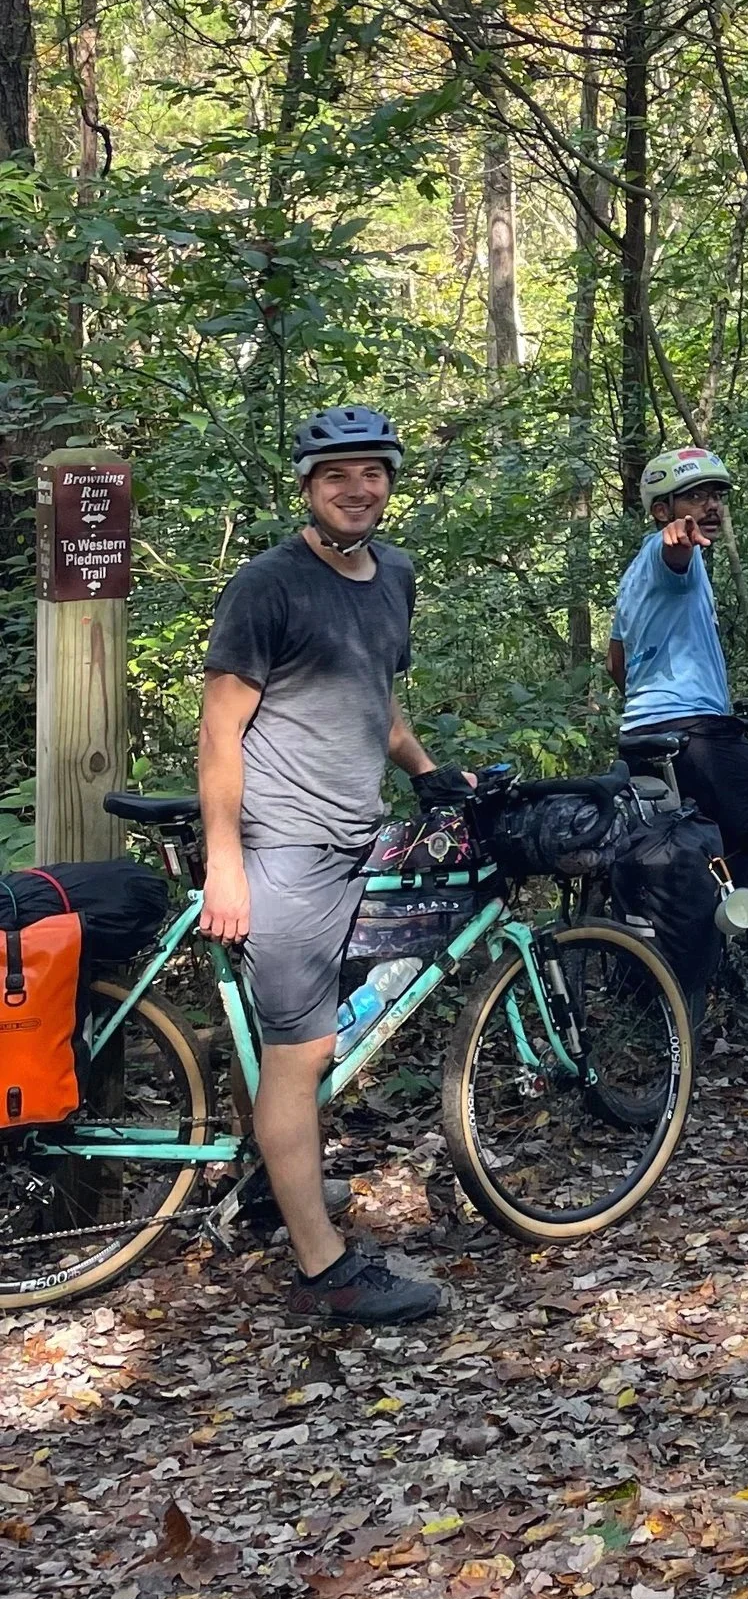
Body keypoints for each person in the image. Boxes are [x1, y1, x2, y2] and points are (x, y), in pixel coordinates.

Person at [199, 405, 449, 1323]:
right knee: (299, 1053)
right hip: (285, 843)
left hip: (357, 835)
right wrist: (226, 861)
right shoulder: (269, 584)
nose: (358, 489)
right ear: (308, 485)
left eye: (372, 473)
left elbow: (377, 704)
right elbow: (221, 728)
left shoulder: (395, 578)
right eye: (337, 474)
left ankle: (272, 1183)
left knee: (308, 1040)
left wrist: (428, 772)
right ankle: (323, 1271)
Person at [607, 448, 748, 1030]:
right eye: (695, 497)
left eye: (717, 495)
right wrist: (677, 538)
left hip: (642, 735)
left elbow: (617, 664)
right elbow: (674, 549)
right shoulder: (668, 556)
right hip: (697, 733)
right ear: (662, 510)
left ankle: (695, 971)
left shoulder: (632, 578)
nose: (711, 506)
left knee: (704, 850)